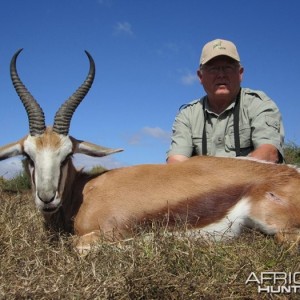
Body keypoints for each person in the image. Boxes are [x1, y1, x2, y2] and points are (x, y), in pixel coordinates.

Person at [167, 38, 284, 164]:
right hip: (206, 183)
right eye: (213, 69)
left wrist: (220, 179)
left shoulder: (259, 104)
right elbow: (176, 162)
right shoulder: (187, 115)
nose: (221, 74)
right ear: (200, 76)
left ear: (240, 74)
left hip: (250, 182)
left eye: (228, 68)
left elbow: (269, 153)